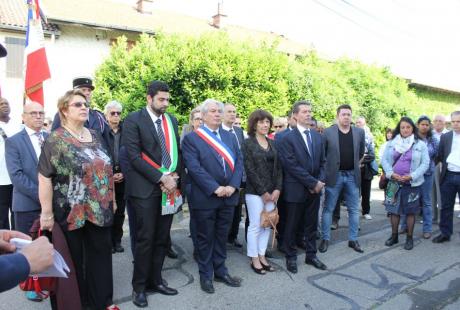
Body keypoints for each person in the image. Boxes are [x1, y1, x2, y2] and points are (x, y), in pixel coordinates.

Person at [39, 89, 118, 309]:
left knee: (100, 257)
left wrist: (112, 199)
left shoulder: (96, 135)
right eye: (77, 105)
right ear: (64, 110)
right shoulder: (56, 139)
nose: (84, 107)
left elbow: (107, 168)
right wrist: (46, 213)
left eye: (85, 104)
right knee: (73, 260)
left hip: (100, 208)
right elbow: (44, 177)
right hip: (70, 211)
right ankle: (77, 304)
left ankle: (102, 302)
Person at [122, 81, 182, 307]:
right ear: (149, 98)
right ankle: (139, 287)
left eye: (167, 99)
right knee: (145, 239)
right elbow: (134, 157)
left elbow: (177, 152)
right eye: (161, 99)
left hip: (169, 190)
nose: (165, 104)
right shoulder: (133, 120)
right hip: (145, 190)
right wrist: (161, 177)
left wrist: (175, 178)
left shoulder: (172, 120)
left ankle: (156, 280)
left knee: (161, 238)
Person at [182, 99, 244, 294]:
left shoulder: (230, 137)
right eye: (214, 111)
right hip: (206, 197)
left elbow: (239, 162)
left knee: (221, 236)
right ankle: (206, 274)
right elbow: (194, 168)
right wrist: (216, 188)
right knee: (205, 238)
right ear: (204, 114)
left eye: (220, 111)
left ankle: (220, 270)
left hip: (229, 196)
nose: (218, 114)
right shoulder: (193, 138)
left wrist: (233, 186)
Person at [5, 102, 48, 301]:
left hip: (50, 206)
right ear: (24, 116)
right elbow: (17, 176)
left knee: (48, 244)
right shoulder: (14, 141)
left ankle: (47, 282)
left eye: (41, 113)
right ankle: (31, 285)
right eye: (33, 113)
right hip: (27, 204)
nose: (38, 116)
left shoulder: (50, 138)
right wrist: (43, 195)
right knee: (28, 246)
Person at [278, 100, 327, 273]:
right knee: (292, 224)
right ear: (295, 115)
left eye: (309, 111)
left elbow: (323, 162)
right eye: (304, 111)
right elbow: (291, 165)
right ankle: (290, 257)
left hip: (315, 189)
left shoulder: (318, 137)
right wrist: (313, 183)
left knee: (311, 224)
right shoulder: (286, 138)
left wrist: (319, 182)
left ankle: (311, 255)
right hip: (295, 189)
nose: (308, 114)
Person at [319, 104, 366, 254]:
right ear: (338, 116)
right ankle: (325, 238)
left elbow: (360, 153)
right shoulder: (328, 132)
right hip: (335, 176)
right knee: (328, 209)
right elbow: (323, 155)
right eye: (343, 114)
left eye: (349, 114)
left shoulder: (359, 132)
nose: (346, 117)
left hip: (352, 175)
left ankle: (353, 239)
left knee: (353, 209)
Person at [242, 109, 282, 275]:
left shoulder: (272, 142)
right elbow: (249, 170)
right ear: (254, 124)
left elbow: (279, 168)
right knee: (256, 225)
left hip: (273, 192)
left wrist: (278, 189)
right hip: (255, 192)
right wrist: (263, 192)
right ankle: (254, 259)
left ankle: (262, 255)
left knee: (267, 224)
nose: (265, 125)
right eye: (261, 122)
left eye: (267, 122)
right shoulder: (247, 143)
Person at [381, 116, 429, 250]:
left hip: (412, 184)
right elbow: (384, 160)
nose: (405, 129)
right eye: (403, 127)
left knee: (410, 212)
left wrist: (412, 176)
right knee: (393, 211)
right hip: (393, 182)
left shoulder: (420, 144)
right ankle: (394, 236)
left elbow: (425, 164)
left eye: (408, 127)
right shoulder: (392, 143)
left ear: (413, 128)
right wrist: (391, 174)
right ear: (399, 129)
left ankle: (409, 238)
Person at [400, 116, 438, 238]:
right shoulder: (411, 138)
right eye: (422, 124)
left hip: (427, 175)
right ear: (417, 125)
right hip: (411, 175)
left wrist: (430, 166)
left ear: (429, 126)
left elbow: (437, 155)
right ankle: (404, 226)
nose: (425, 127)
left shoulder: (433, 140)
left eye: (427, 125)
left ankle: (427, 229)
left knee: (426, 201)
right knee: (408, 199)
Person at [51, 77, 110, 148]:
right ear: (75, 92)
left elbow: (106, 142)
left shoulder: (98, 116)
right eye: (83, 90)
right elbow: (55, 139)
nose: (87, 93)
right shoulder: (64, 113)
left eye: (89, 90)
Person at [432, 111, 460, 243]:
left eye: (458, 121)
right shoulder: (446, 137)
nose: (456, 124)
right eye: (453, 121)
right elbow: (440, 155)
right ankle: (445, 233)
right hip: (448, 175)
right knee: (446, 206)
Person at [221, 103, 245, 248]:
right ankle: (222, 239)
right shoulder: (218, 132)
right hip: (226, 179)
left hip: (241, 177)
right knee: (225, 211)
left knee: (237, 209)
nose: (232, 114)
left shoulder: (238, 131)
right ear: (222, 114)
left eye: (234, 112)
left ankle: (233, 236)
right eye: (229, 111)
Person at [104, 100, 126, 254]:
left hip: (124, 176)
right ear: (106, 115)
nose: (116, 115)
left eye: (119, 113)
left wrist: (124, 172)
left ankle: (117, 240)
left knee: (120, 212)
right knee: (108, 210)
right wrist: (110, 174)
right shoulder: (100, 133)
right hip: (106, 178)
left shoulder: (127, 132)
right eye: (113, 113)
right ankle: (109, 242)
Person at [0, 97, 23, 230]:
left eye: (6, 103)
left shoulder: (19, 126)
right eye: (1, 104)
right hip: (1, 180)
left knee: (17, 214)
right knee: (2, 217)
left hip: (17, 177)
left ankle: (17, 245)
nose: (4, 105)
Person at [356, 116, 377, 220]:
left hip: (366, 169)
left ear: (364, 123)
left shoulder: (369, 137)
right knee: (354, 192)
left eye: (359, 122)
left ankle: (366, 212)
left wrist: (361, 160)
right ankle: (353, 211)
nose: (357, 124)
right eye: (356, 122)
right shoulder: (352, 134)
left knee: (366, 191)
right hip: (355, 169)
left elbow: (372, 155)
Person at [431, 114, 449, 223]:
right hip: (430, 164)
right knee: (431, 192)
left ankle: (441, 217)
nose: (438, 123)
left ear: (445, 123)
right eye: (436, 121)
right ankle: (433, 216)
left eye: (440, 121)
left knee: (441, 192)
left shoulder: (448, 134)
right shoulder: (430, 134)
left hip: (442, 165)